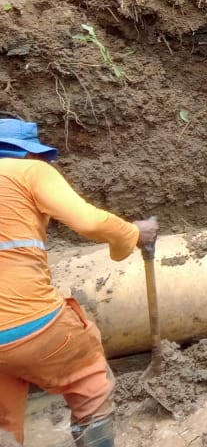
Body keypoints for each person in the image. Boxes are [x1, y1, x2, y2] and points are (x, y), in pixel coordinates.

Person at [0, 118, 157, 447]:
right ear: (28, 153)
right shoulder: (28, 170)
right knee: (89, 382)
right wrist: (133, 234)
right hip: (30, 324)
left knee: (4, 423)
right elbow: (87, 221)